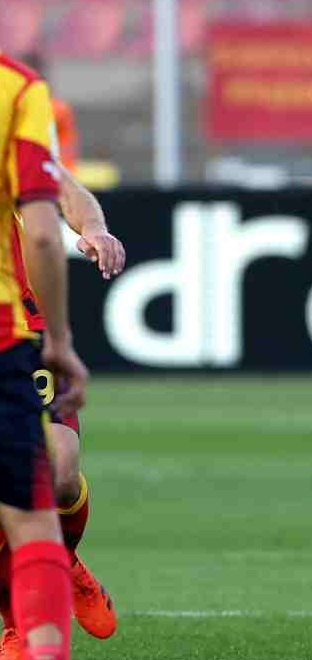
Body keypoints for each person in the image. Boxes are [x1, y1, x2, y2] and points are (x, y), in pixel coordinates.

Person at [0, 51, 91, 660]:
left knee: (54, 476)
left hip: (12, 325)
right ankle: (19, 617)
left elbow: (55, 192)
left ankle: (63, 561)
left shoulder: (16, 90)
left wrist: (93, 228)